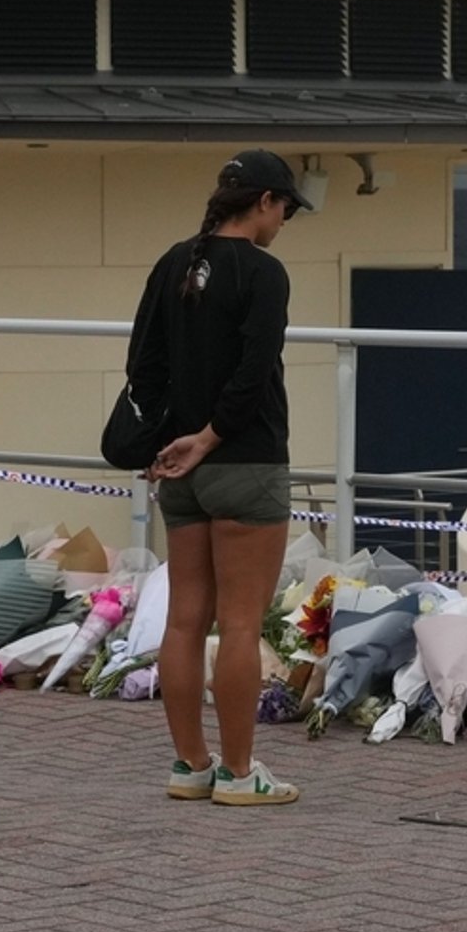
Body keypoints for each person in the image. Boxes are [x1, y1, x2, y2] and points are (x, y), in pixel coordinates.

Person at [129, 149, 304, 807]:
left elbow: (142, 365)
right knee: (238, 623)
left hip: (178, 466)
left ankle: (190, 765)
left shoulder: (173, 262)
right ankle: (237, 773)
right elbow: (255, 371)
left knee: (182, 621)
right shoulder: (263, 273)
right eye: (285, 207)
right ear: (262, 202)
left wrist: (167, 446)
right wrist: (211, 438)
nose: (284, 220)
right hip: (245, 460)